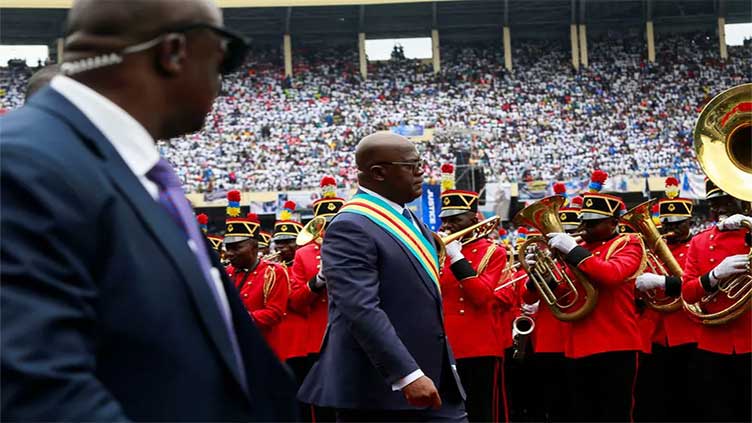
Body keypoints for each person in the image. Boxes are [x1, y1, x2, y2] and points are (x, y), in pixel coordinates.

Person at [0, 0, 296, 420]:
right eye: (225, 53)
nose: (224, 77)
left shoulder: (123, 167)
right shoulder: (23, 165)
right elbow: (39, 391)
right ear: (173, 53)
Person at [298, 133, 467, 422]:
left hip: (430, 379)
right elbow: (360, 309)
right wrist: (407, 375)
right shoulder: (351, 226)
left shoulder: (410, 220)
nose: (421, 171)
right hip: (383, 391)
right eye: (411, 165)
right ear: (379, 172)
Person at [541, 170, 644, 421]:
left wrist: (572, 250)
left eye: (592, 223)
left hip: (616, 343)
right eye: (583, 222)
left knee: (615, 413)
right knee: (582, 413)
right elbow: (565, 296)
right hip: (578, 344)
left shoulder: (628, 243)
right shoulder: (580, 250)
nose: (584, 228)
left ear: (613, 222)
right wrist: (544, 274)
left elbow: (611, 275)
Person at [680, 178, 751, 422]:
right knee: (717, 410)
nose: (720, 209)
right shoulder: (699, 242)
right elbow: (688, 293)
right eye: (715, 204)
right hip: (714, 342)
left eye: (727, 202)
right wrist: (713, 276)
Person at [438, 177, 507, 423]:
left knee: (481, 412)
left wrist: (456, 258)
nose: (447, 225)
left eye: (455, 219)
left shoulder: (494, 251)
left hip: (479, 345)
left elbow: (481, 296)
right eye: (445, 219)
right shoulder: (437, 252)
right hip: (444, 346)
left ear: (474, 219)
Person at [633, 177, 700, 422]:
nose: (672, 228)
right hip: (655, 334)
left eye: (679, 223)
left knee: (691, 397)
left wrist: (665, 283)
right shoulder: (649, 251)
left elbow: (703, 284)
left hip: (690, 330)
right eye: (667, 223)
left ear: (690, 223)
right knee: (655, 399)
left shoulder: (699, 246)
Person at [288, 176, 344, 422]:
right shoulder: (303, 255)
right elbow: (296, 301)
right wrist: (318, 281)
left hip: (355, 334)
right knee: (322, 404)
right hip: (318, 340)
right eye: (326, 224)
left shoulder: (363, 246)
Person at [223, 212, 290, 359]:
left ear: (254, 247)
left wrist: (241, 317)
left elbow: (274, 313)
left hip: (262, 349)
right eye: (228, 248)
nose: (229, 253)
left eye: (236, 248)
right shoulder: (227, 272)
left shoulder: (274, 272)